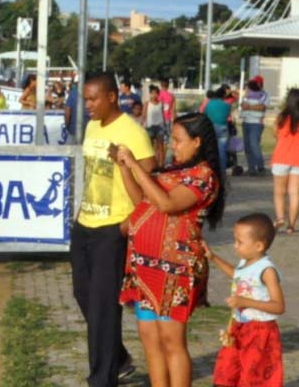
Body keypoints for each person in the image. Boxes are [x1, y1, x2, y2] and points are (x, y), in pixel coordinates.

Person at [116, 113, 225, 387]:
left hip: (175, 268)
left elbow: (166, 204)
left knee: (172, 341)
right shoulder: (171, 170)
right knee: (150, 339)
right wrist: (123, 168)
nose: (173, 146)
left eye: (178, 140)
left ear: (197, 142)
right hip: (145, 263)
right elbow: (143, 201)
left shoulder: (203, 176)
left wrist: (136, 166)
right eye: (172, 139)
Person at [73, 72, 155, 387]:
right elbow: (92, 174)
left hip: (114, 228)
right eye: (85, 100)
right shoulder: (93, 126)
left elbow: (149, 186)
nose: (88, 105)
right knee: (83, 294)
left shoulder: (132, 133)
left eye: (93, 99)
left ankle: (102, 379)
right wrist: (81, 213)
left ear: (111, 97)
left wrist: (126, 224)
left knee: (104, 305)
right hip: (85, 223)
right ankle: (118, 358)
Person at [205, 213, 286, 387]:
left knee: (253, 374)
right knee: (227, 368)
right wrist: (212, 257)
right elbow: (236, 275)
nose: (235, 246)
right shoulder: (245, 262)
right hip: (238, 326)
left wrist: (245, 302)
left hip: (260, 331)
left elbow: (279, 306)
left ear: (258, 245)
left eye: (239, 242)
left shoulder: (267, 270)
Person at [270, 89, 299, 235]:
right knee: (295, 193)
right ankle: (291, 225)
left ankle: (280, 217)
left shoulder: (281, 117)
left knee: (279, 192)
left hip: (281, 157)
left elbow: (275, 133)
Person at [239, 76, 269, 176]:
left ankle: (260, 167)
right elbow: (242, 105)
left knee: (254, 145)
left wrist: (249, 107)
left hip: (256, 123)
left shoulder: (264, 95)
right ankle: (251, 168)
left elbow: (262, 108)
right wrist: (248, 106)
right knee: (247, 146)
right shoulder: (247, 94)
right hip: (246, 122)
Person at [204, 85, 233, 173]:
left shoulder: (209, 104)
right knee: (222, 151)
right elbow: (227, 116)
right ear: (223, 96)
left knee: (211, 150)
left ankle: (212, 169)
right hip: (223, 128)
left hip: (211, 128)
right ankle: (222, 169)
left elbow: (205, 115)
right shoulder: (227, 105)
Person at [144, 85, 167, 167]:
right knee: (150, 147)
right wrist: (142, 126)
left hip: (160, 127)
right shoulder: (147, 103)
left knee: (160, 147)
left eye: (155, 93)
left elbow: (163, 115)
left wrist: (164, 125)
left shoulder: (161, 103)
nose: (154, 95)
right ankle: (151, 164)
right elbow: (144, 115)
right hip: (150, 127)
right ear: (150, 94)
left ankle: (161, 164)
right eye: (152, 93)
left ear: (158, 94)